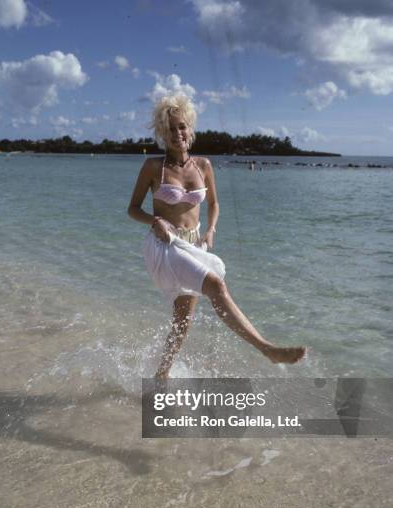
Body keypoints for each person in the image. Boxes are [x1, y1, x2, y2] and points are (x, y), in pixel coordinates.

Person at [128, 94, 306, 378]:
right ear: (163, 133)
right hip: (166, 245)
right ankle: (266, 348)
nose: (178, 134)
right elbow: (132, 209)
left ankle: (160, 375)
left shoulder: (204, 165)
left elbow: (214, 203)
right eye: (171, 129)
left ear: (190, 128)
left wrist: (210, 229)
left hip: (194, 243)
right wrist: (155, 221)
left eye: (182, 126)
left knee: (182, 321)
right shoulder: (153, 167)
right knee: (216, 286)